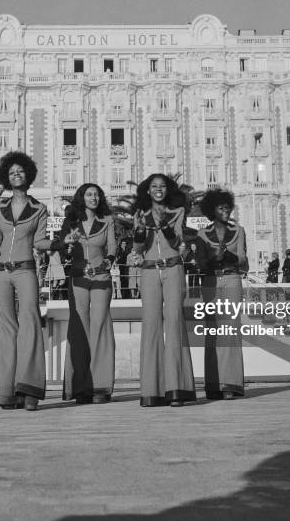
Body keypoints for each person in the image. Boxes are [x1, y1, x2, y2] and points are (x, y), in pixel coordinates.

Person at [0, 151, 51, 411]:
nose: (16, 175)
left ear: (28, 175)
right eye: (11, 172)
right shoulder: (0, 207)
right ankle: (7, 390)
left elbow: (39, 242)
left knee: (30, 322)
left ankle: (29, 388)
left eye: (20, 171)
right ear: (6, 178)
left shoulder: (39, 208)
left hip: (25, 269)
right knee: (6, 330)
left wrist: (61, 243)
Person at [133, 173, 196, 407]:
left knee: (174, 322)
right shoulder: (140, 215)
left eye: (162, 186)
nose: (158, 189)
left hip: (172, 268)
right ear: (147, 191)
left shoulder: (177, 212)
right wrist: (139, 231)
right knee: (150, 326)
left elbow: (177, 241)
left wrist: (163, 225)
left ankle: (177, 388)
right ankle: (152, 390)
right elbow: (138, 248)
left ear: (167, 190)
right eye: (153, 186)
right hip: (149, 271)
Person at [57, 184, 116, 404]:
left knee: (100, 327)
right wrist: (68, 245)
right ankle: (79, 387)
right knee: (79, 329)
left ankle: (100, 387)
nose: (94, 197)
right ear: (82, 198)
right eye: (89, 194)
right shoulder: (70, 222)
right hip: (78, 278)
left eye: (97, 194)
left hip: (101, 278)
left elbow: (111, 246)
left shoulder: (107, 220)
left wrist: (109, 260)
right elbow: (63, 248)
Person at [195, 189, 247, 400]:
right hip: (210, 281)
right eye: (221, 208)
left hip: (232, 278)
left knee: (231, 328)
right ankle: (214, 384)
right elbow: (200, 263)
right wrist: (214, 257)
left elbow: (244, 260)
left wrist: (229, 255)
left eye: (227, 207)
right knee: (212, 330)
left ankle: (231, 384)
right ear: (212, 210)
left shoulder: (239, 231)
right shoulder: (201, 235)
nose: (226, 211)